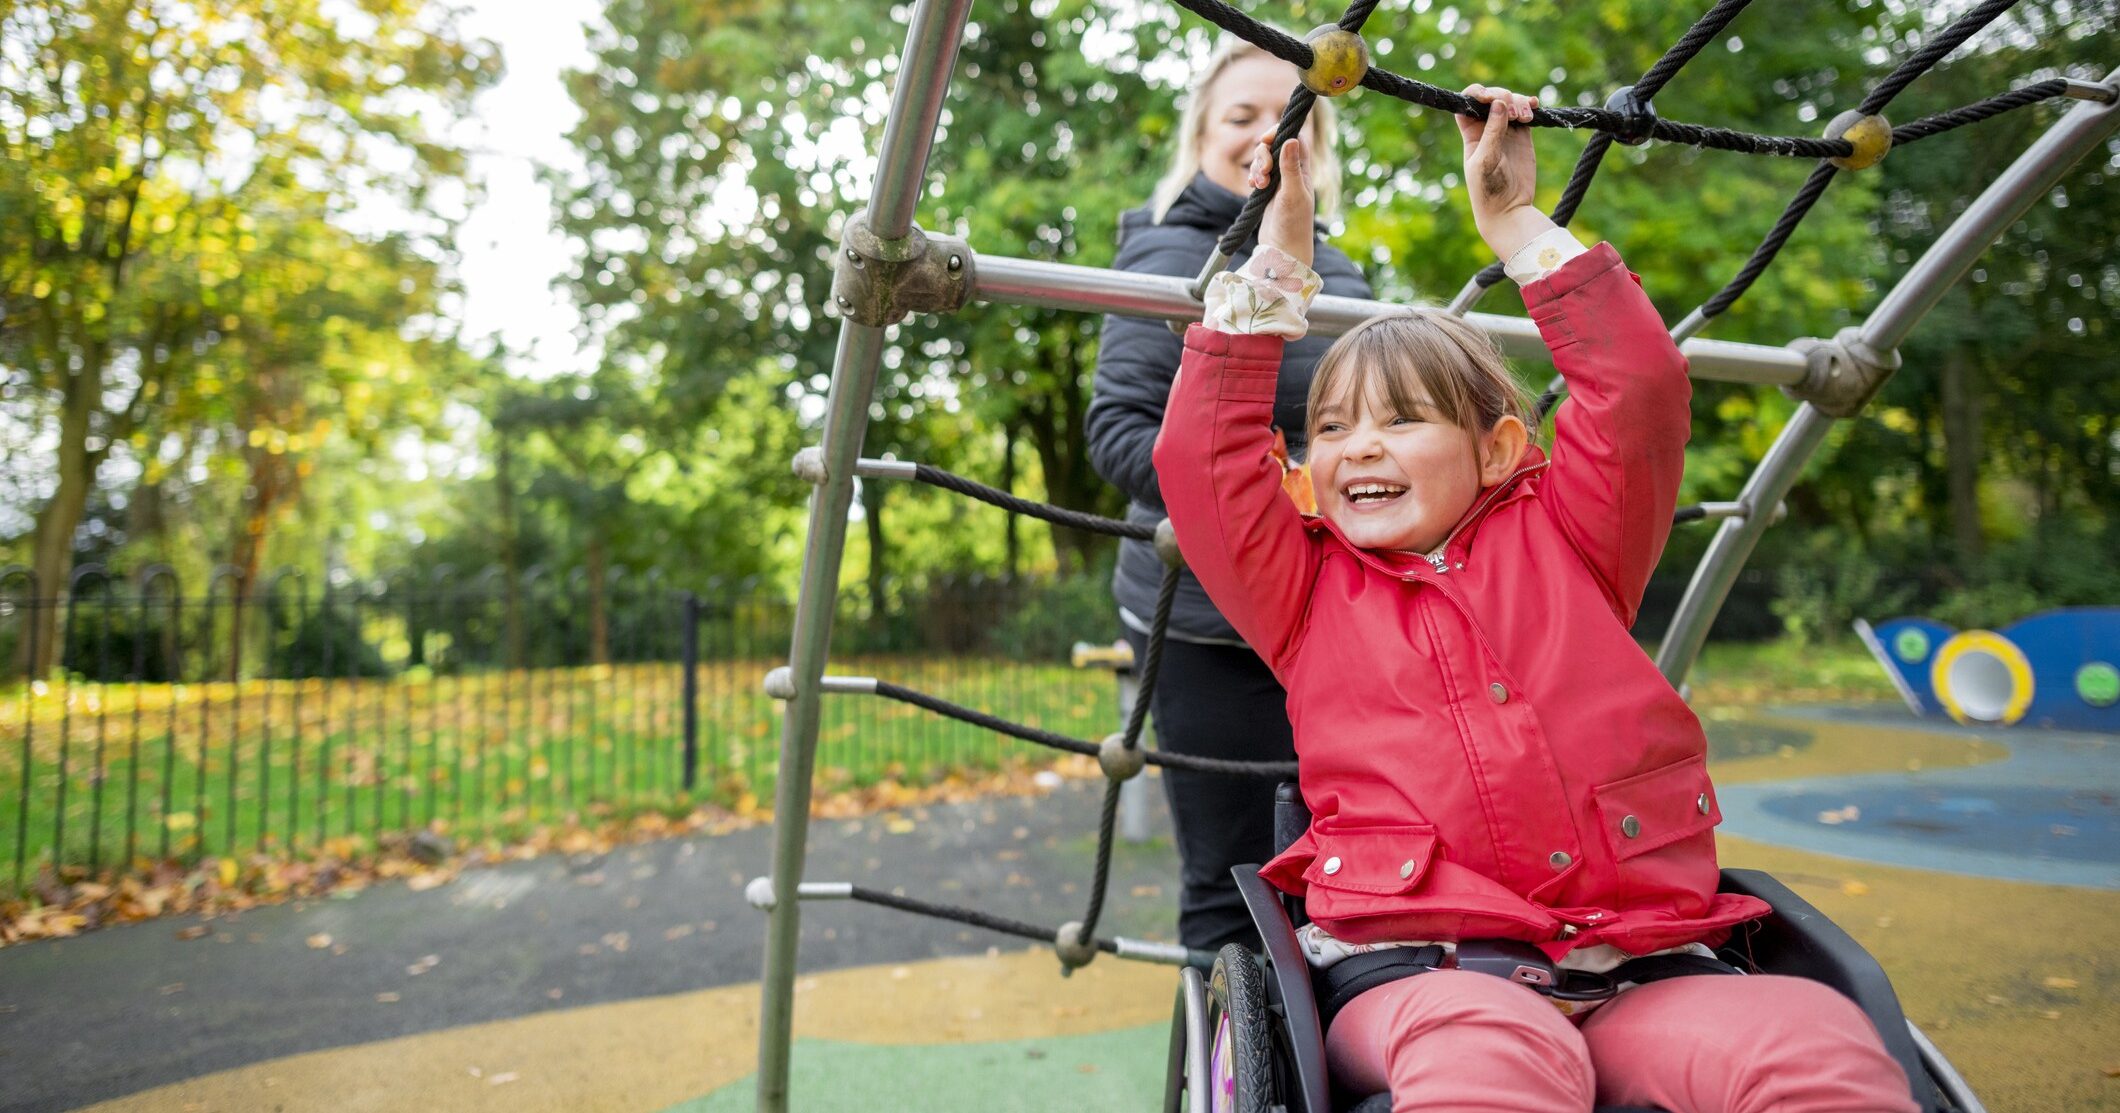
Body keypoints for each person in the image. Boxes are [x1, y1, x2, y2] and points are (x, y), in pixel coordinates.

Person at [1152, 84, 1920, 1113]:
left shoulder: (1572, 539)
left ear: (1497, 448)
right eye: (1329, 430)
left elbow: (1636, 391)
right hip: (1425, 972)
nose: (1357, 447)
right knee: (1489, 1055)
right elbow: (1200, 460)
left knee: (1809, 1041)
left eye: (1401, 421)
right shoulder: (1303, 587)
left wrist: (1514, 221)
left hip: (1639, 963)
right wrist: (1276, 267)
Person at [1085, 38, 1373, 955]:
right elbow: (1120, 432)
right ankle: (1228, 1084)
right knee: (1232, 878)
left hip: (1327, 606)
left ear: (1315, 149)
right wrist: (1266, 497)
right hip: (1206, 616)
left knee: (1342, 861)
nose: (1263, 136)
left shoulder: (1350, 279)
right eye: (1241, 116)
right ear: (1202, 136)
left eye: (1288, 119)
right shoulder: (1169, 257)